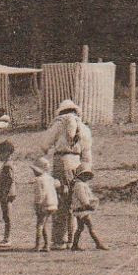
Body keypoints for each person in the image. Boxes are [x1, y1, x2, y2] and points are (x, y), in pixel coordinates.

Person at [42, 99, 93, 250]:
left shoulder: (59, 123)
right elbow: (87, 155)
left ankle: (59, 240)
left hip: (62, 161)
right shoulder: (84, 128)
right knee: (74, 200)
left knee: (60, 200)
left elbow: (45, 144)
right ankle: (72, 239)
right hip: (77, 163)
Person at [67, 170, 107, 252]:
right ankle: (98, 244)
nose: (87, 178)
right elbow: (82, 197)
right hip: (82, 210)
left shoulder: (80, 184)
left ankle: (75, 245)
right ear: (81, 176)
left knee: (80, 228)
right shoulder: (79, 185)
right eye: (86, 176)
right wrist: (88, 205)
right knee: (91, 227)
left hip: (80, 209)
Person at [30, 157, 58, 252]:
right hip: (53, 204)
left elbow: (40, 195)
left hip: (44, 205)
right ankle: (46, 245)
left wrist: (37, 205)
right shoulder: (50, 179)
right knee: (45, 224)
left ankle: (38, 245)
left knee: (39, 225)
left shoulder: (38, 180)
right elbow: (57, 185)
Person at [0, 140, 16, 248]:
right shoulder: (8, 164)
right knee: (6, 216)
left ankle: (7, 238)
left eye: (0, 153)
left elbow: (10, 179)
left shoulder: (7, 165)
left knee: (7, 216)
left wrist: (4, 193)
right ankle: (6, 238)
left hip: (6, 195)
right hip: (7, 194)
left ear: (7, 152)